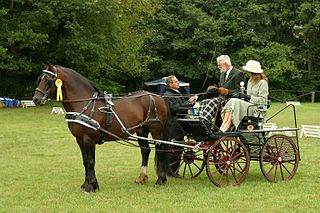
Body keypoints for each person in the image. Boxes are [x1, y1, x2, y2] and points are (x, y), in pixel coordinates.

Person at [219, 60, 269, 132]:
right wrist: (241, 96)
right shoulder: (250, 81)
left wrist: (248, 97)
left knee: (234, 101)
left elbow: (262, 100)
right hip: (248, 106)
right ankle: (225, 124)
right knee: (232, 100)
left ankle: (227, 125)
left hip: (257, 109)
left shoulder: (262, 83)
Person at [163, 75, 197, 176]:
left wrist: (190, 104)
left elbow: (182, 108)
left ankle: (173, 170)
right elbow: (176, 109)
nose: (178, 83)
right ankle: (171, 171)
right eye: (176, 81)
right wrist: (189, 102)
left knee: (178, 149)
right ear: (170, 84)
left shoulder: (175, 93)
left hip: (180, 124)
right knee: (175, 149)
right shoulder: (168, 96)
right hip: (174, 125)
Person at [199, 55, 245, 129]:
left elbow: (240, 91)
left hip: (231, 102)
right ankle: (200, 120)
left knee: (212, 102)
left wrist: (227, 92)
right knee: (205, 101)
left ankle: (204, 122)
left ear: (226, 64)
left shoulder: (238, 74)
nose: (218, 67)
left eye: (219, 65)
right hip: (221, 99)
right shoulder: (222, 74)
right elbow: (221, 88)